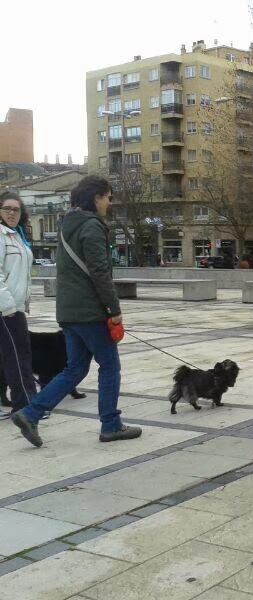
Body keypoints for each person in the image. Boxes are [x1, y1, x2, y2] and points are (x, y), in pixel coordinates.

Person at [11, 175, 142, 448]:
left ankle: (31, 414)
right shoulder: (92, 226)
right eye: (108, 197)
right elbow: (99, 271)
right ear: (96, 198)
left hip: (69, 311)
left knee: (75, 368)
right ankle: (111, 425)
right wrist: (113, 309)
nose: (109, 203)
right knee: (110, 367)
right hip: (90, 312)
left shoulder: (68, 224)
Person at [0, 191, 37, 419]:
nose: (12, 213)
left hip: (15, 307)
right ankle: (25, 406)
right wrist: (9, 307)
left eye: (16, 209)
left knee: (10, 356)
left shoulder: (16, 235)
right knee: (18, 356)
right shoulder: (1, 236)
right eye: (7, 209)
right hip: (7, 310)